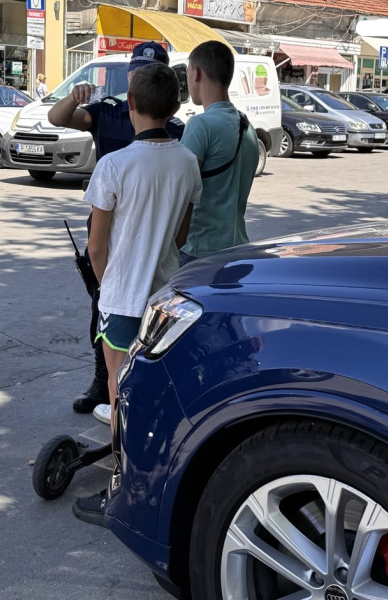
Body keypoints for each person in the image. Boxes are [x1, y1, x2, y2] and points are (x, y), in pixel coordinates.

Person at [72, 62, 202, 526]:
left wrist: (108, 286)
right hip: (166, 299)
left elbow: (95, 244)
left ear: (130, 106)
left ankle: (124, 486)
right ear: (174, 108)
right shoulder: (187, 161)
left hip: (123, 300)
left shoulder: (113, 165)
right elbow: (181, 235)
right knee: (160, 389)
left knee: (119, 390)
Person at [48, 42, 184, 425]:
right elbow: (60, 119)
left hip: (135, 251)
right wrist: (73, 97)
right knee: (104, 318)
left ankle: (122, 420)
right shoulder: (108, 114)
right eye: (137, 70)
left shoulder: (175, 131)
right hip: (113, 244)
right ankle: (101, 383)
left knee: (133, 332)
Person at [178, 41, 258, 267]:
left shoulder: (200, 125)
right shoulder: (247, 126)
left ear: (196, 72)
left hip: (198, 251)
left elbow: (180, 193)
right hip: (238, 248)